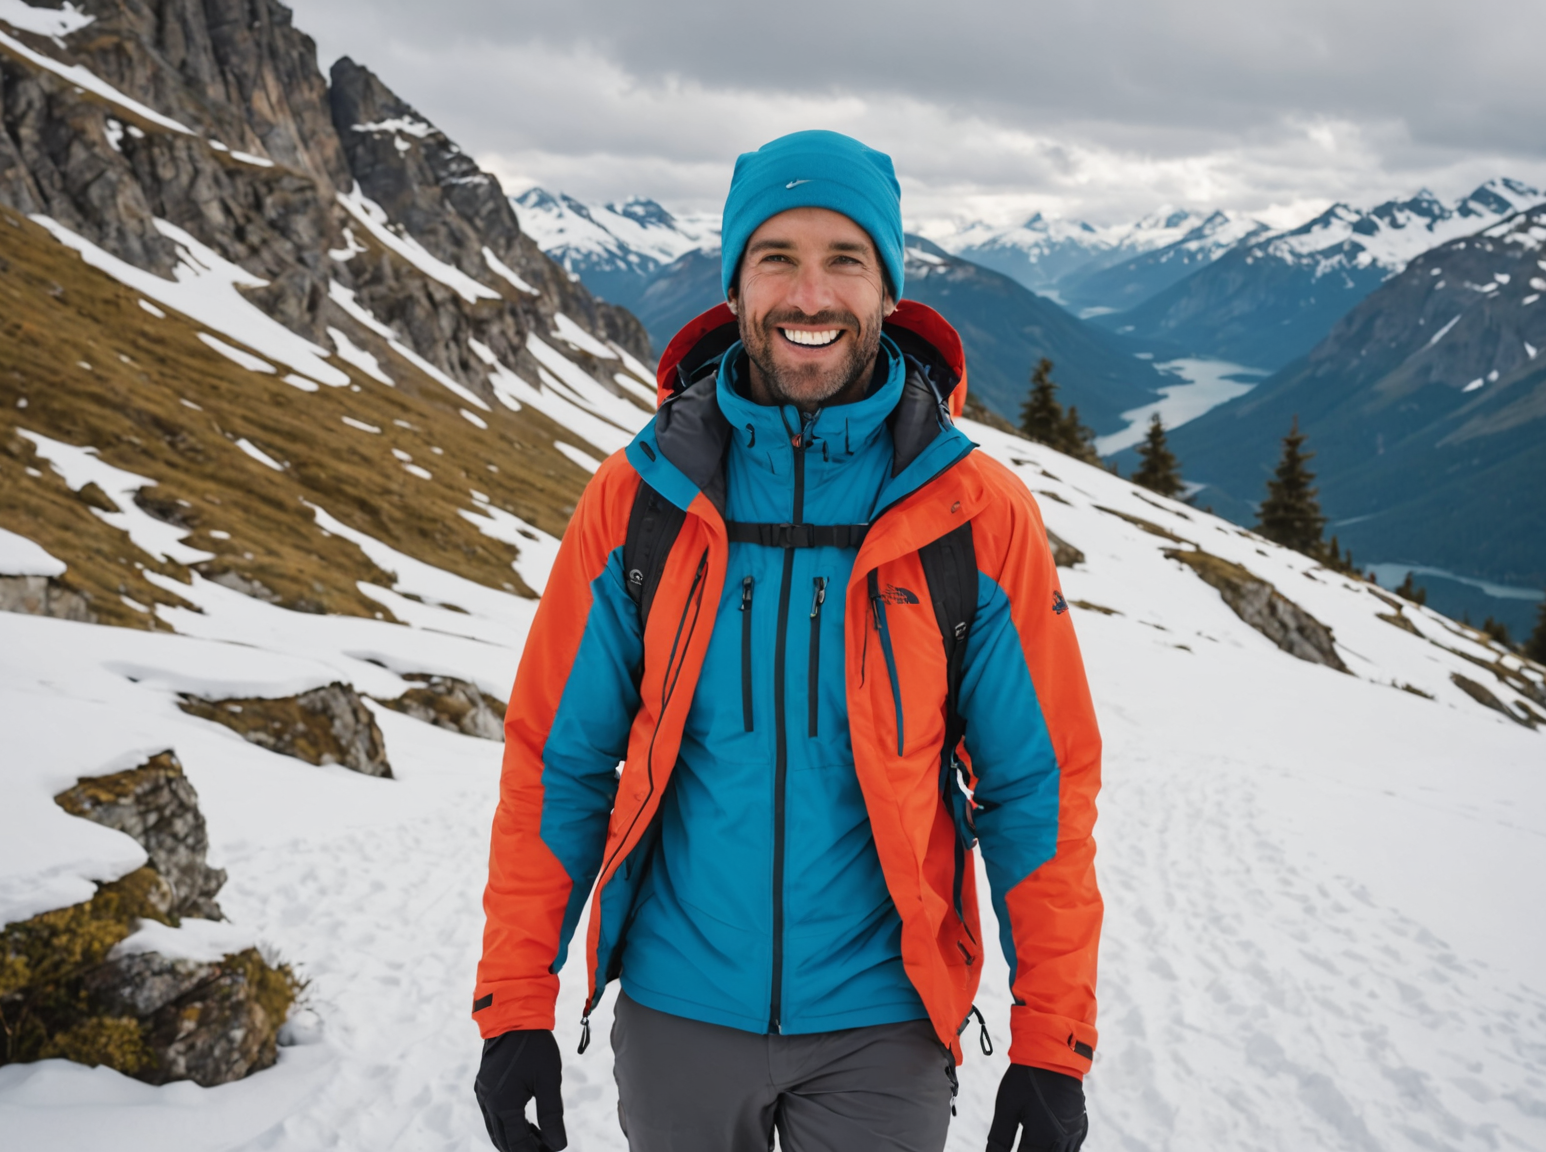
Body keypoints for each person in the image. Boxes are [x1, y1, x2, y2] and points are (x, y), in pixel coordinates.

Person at [472, 130, 1102, 1152]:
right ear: (734, 285)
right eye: (777, 259)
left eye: (845, 259)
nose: (810, 296)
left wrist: (1053, 1038)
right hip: (680, 1013)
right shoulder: (641, 499)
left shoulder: (973, 513)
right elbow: (558, 761)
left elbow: (1039, 784)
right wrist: (514, 1006)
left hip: (885, 1024)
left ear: (890, 287)